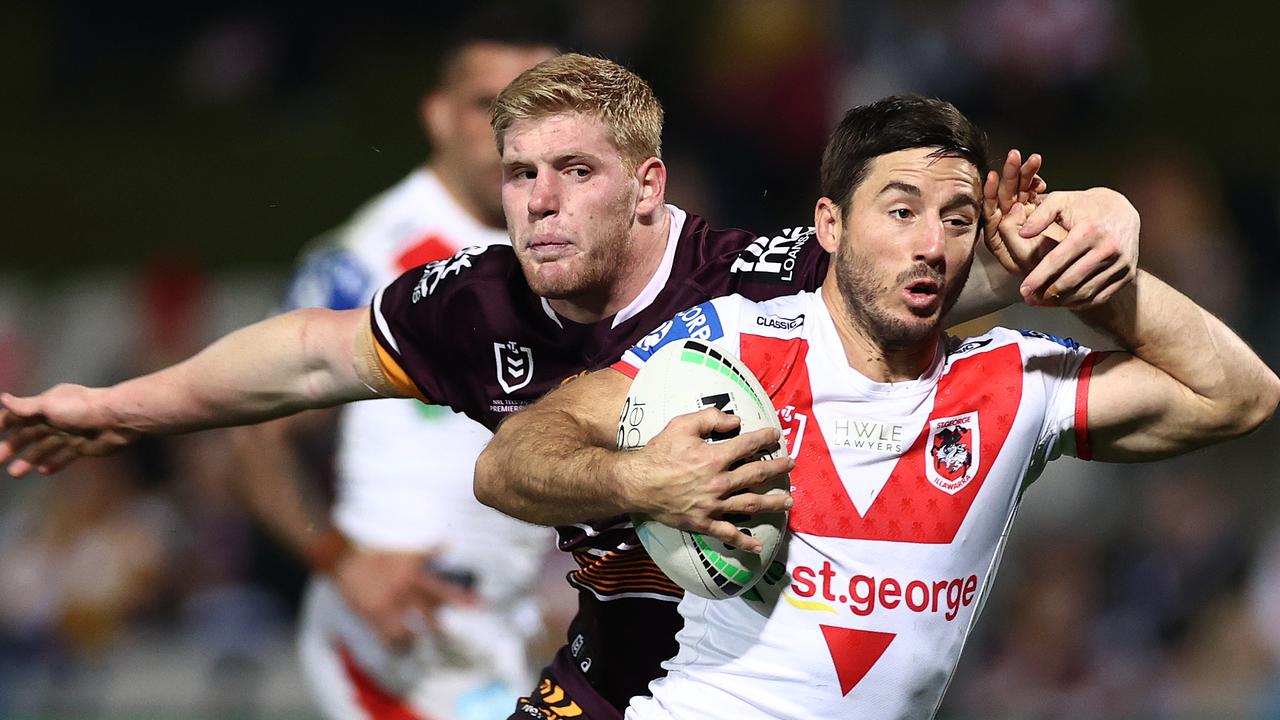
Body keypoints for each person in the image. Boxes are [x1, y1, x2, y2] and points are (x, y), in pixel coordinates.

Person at [0, 55, 1139, 720]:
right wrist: (107, 410)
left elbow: (984, 265)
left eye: (573, 173)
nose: (537, 202)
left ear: (645, 187)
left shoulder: (772, 274)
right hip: (605, 684)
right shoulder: (482, 302)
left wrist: (1108, 219)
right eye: (518, 176)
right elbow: (308, 352)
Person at [474, 95, 1280, 719]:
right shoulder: (734, 341)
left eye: (958, 219)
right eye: (900, 211)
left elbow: (1241, 396)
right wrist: (640, 482)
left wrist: (1096, 274)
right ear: (829, 224)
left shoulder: (1017, 383)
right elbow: (511, 458)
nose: (932, 242)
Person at [221, 27, 558, 720]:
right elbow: (252, 435)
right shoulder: (373, 256)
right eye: (486, 105)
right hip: (403, 629)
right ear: (436, 115)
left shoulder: (566, 252)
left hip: (506, 618)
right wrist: (342, 561)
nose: (512, 135)